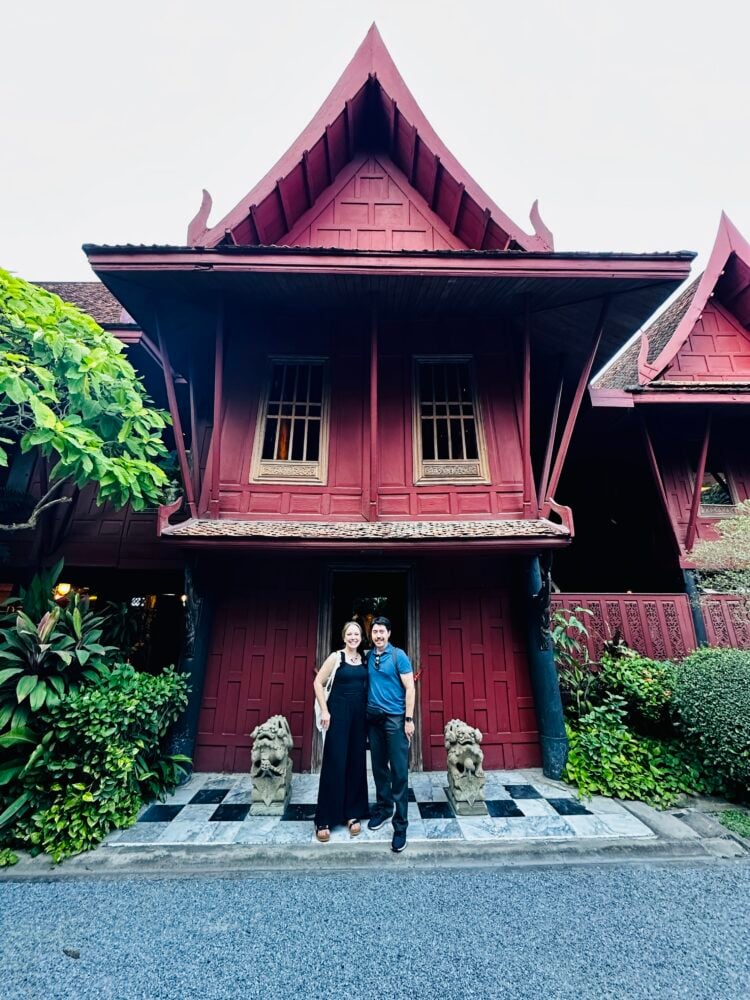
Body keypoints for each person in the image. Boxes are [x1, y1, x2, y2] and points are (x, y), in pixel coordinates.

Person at [313, 621, 369, 843]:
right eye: (350, 634)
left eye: (357, 633)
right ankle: (325, 818)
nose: (353, 637)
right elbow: (318, 682)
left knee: (356, 762)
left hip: (359, 716)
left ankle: (352, 813)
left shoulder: (365, 658)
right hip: (338, 714)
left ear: (361, 637)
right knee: (335, 762)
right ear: (344, 636)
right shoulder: (336, 657)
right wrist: (325, 711)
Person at [365, 616, 415, 853]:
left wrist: (409, 719)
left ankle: (401, 825)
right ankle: (384, 809)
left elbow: (410, 688)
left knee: (399, 771)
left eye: (382, 631)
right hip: (374, 720)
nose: (378, 635)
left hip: (395, 720)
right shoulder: (367, 656)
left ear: (389, 633)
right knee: (378, 768)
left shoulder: (399, 656)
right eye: (375, 631)